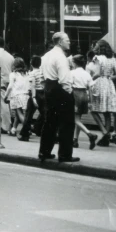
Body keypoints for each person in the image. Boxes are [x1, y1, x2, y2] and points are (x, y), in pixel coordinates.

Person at [39, 32, 78, 163]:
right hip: (60, 90)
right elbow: (64, 79)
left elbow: (40, 75)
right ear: (60, 42)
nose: (69, 42)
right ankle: (65, 154)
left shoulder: (46, 56)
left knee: (50, 122)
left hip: (49, 89)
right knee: (66, 123)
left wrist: (46, 87)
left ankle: (44, 152)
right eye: (67, 40)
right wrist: (69, 92)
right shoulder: (61, 57)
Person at [89, 40, 116, 145]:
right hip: (109, 84)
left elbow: (97, 73)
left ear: (100, 48)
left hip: (99, 83)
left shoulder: (97, 58)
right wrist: (109, 77)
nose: (95, 47)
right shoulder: (113, 59)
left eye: (97, 45)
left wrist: (90, 80)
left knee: (93, 109)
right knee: (107, 112)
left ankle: (104, 132)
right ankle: (105, 137)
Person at [70, 54, 98, 150]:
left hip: (75, 94)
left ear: (74, 63)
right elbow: (90, 88)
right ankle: (75, 140)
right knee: (78, 118)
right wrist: (90, 101)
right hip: (84, 95)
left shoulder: (72, 73)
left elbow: (69, 85)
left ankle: (90, 134)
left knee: (75, 119)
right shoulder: (86, 73)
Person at [18, 55, 45, 141]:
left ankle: (25, 134)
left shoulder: (32, 73)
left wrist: (33, 97)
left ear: (31, 64)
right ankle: (41, 130)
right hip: (43, 93)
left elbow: (33, 85)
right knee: (44, 114)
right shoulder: (42, 72)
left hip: (35, 94)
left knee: (29, 115)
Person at [4, 57, 29, 136]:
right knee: (19, 114)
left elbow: (10, 86)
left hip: (16, 95)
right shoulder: (27, 73)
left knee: (19, 113)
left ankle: (27, 128)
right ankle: (13, 129)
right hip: (25, 95)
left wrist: (6, 96)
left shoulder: (13, 74)